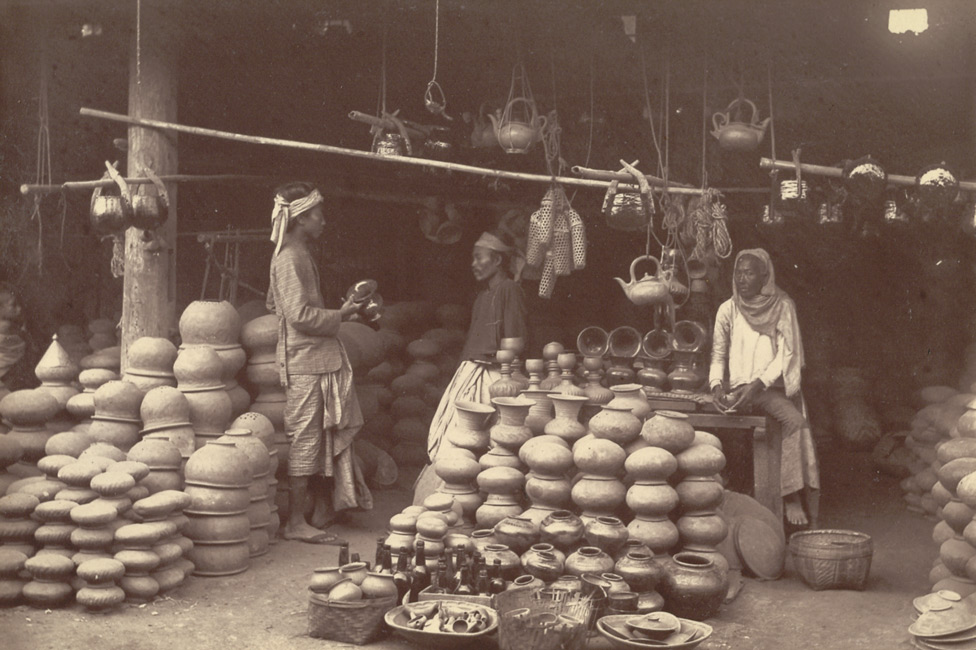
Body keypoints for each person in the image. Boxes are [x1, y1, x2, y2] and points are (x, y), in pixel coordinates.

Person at [266, 182, 372, 544]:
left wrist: (338, 314)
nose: (323, 221)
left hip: (319, 359)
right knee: (306, 441)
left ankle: (322, 508)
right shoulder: (288, 258)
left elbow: (278, 305)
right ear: (300, 219)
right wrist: (340, 314)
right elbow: (297, 315)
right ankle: (296, 522)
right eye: (318, 215)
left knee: (323, 439)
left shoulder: (299, 254)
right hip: (305, 363)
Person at [412, 231, 528, 504]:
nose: (473, 264)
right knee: (452, 436)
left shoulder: (509, 290)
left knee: (476, 440)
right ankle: (444, 497)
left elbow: (515, 342)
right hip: (471, 371)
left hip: (494, 375)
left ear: (497, 260)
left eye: (479, 257)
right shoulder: (483, 296)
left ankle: (465, 500)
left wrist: (506, 374)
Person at [709, 248, 820, 527]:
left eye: (749, 273)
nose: (742, 279)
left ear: (764, 276)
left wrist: (758, 385)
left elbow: (787, 354)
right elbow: (718, 354)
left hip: (770, 389)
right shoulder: (728, 309)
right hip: (737, 390)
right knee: (718, 427)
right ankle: (730, 499)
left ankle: (790, 494)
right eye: (738, 272)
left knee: (795, 422)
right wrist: (716, 386)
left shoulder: (783, 306)